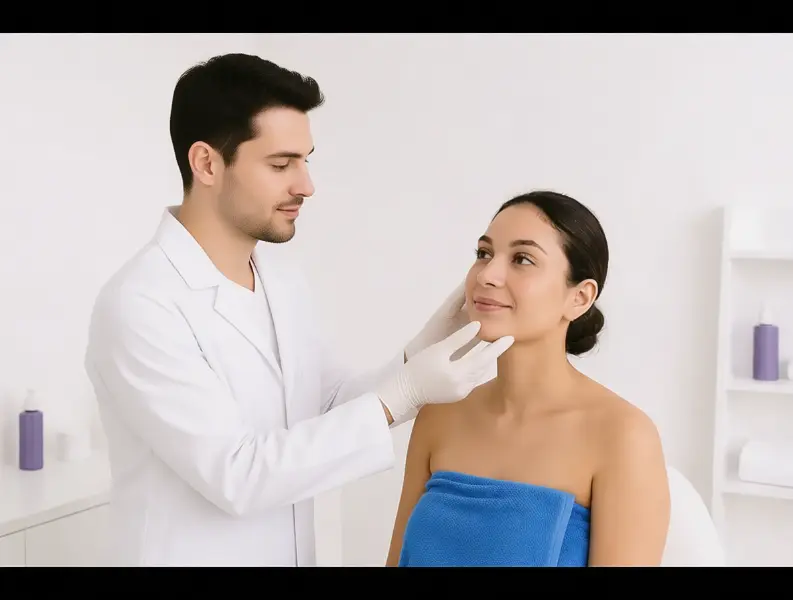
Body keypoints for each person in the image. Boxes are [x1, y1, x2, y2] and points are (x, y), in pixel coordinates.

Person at [83, 53, 514, 567]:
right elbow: (236, 475)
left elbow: (324, 406)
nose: (306, 184)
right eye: (281, 164)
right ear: (207, 164)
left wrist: (414, 356)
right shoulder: (140, 304)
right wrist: (404, 394)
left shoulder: (280, 279)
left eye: (306, 160)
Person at [386, 190, 671, 567]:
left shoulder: (623, 436)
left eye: (522, 259)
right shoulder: (439, 417)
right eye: (483, 254)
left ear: (580, 298)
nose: (487, 275)